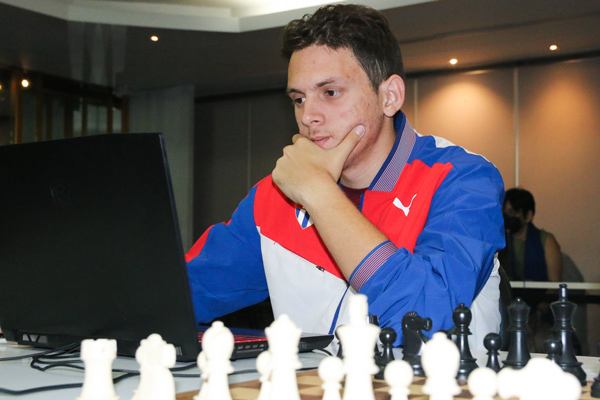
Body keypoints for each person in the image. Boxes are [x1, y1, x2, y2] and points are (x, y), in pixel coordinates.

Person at [185, 4, 505, 350]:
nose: (308, 116)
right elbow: (180, 296)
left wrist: (319, 194)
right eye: (298, 98)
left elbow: (422, 319)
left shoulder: (463, 180)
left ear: (389, 96)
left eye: (330, 93)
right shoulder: (275, 197)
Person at [500, 187, 565, 352]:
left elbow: (554, 285)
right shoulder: (499, 242)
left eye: (513, 212)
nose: (507, 217)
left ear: (528, 215)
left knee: (539, 341)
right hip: (507, 311)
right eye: (505, 212)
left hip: (540, 312)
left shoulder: (546, 241)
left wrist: (539, 308)